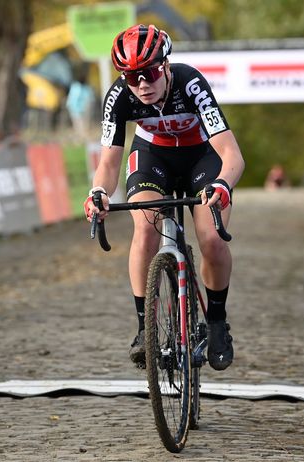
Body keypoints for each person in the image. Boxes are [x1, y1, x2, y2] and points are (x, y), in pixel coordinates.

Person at [84, 25, 245, 370]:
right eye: (132, 77)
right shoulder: (118, 97)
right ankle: (145, 329)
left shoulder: (191, 84)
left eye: (151, 73)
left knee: (211, 239)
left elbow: (232, 156)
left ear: (167, 66)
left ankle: (216, 322)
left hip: (201, 157)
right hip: (153, 158)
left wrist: (222, 185)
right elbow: (109, 163)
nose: (142, 84)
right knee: (145, 228)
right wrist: (98, 192)